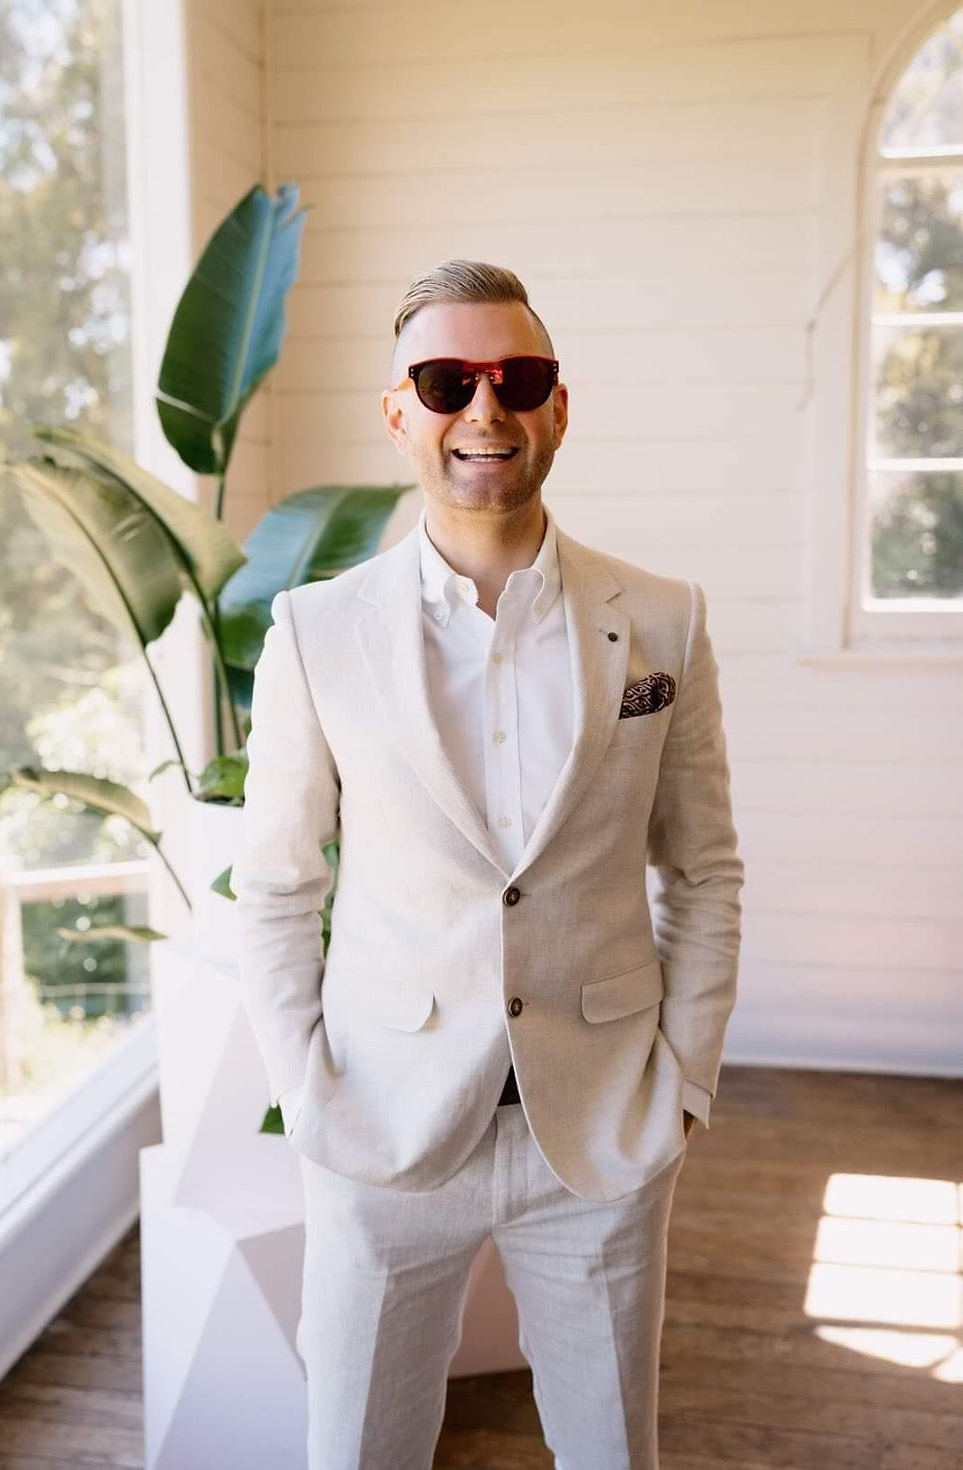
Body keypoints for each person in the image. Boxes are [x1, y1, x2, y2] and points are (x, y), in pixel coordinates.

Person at [232, 259, 744, 1470]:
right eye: (446, 379)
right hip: (381, 1127)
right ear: (399, 410)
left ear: (557, 407)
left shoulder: (662, 620)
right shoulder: (315, 632)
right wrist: (308, 1094)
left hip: (601, 1128)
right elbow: (276, 882)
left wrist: (683, 1082)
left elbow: (706, 869)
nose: (484, 410)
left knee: (614, 1452)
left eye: (516, 379)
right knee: (356, 1450)